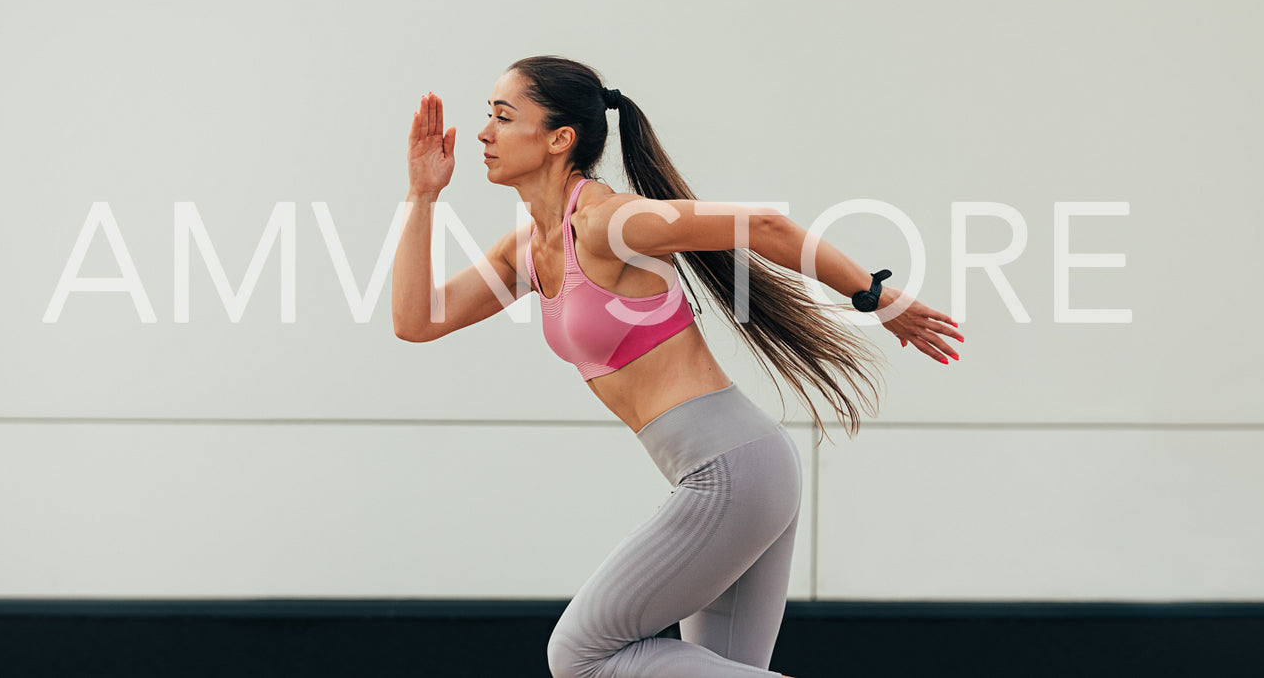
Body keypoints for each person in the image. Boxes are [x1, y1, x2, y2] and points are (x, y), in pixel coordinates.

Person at [393, 56, 962, 678]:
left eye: (503, 117)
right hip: (739, 472)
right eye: (488, 117)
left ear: (560, 139)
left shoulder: (610, 221)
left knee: (580, 654)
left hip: (731, 474)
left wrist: (874, 296)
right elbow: (417, 320)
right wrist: (422, 197)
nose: (483, 133)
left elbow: (765, 226)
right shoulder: (526, 250)